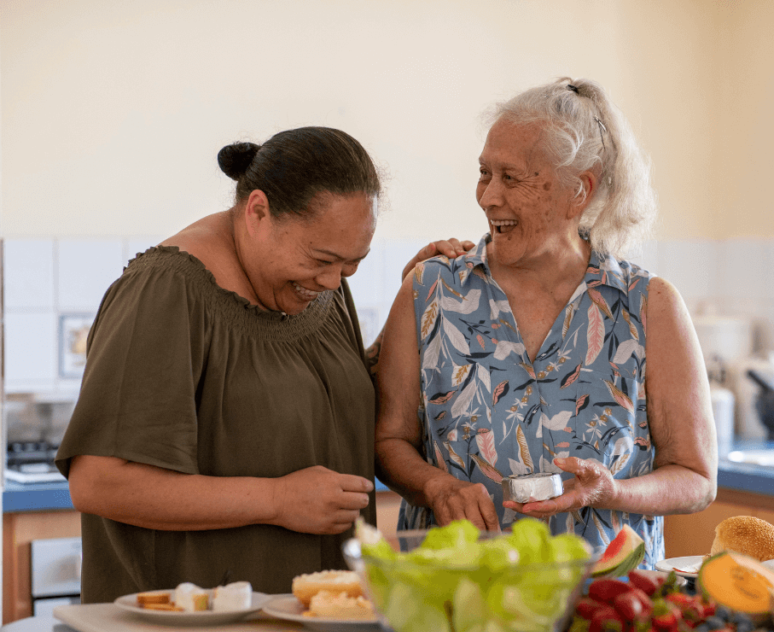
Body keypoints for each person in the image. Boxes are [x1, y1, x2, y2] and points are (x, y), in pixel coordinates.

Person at [56, 126, 471, 602]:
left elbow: (335, 400)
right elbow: (99, 482)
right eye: (323, 258)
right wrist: (276, 500)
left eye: (352, 264)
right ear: (257, 211)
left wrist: (413, 299)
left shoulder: (315, 286)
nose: (335, 280)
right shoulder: (167, 291)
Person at [375, 79, 718, 568]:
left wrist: (611, 491)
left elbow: (696, 478)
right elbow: (388, 441)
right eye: (484, 173)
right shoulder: (430, 290)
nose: (488, 197)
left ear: (579, 190)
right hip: (458, 596)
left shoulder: (649, 306)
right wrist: (436, 486)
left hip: (606, 604)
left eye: (511, 179)